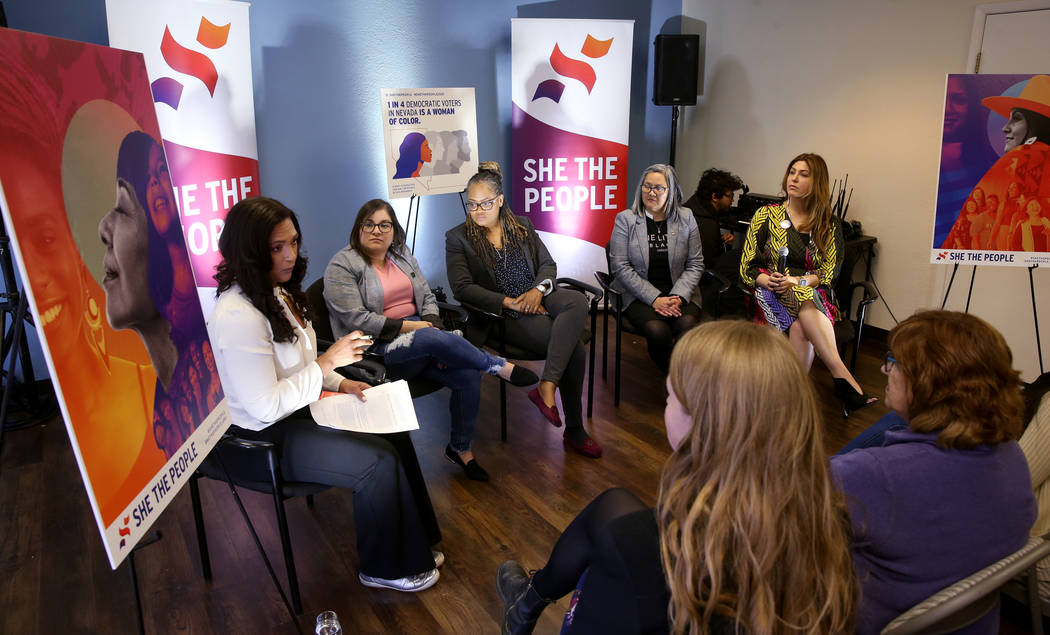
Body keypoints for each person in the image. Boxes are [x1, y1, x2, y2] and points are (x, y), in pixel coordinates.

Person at [495, 321, 857, 634]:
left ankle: (528, 601)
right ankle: (528, 600)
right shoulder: (830, 520)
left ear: (700, 423)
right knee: (612, 503)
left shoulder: (645, 548)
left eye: (669, 396)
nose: (666, 405)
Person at [208, 196, 443, 592]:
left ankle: (414, 541)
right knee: (376, 463)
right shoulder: (236, 315)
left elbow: (298, 366)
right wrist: (325, 366)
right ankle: (383, 567)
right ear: (248, 252)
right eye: (277, 248)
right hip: (263, 437)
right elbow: (265, 405)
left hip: (298, 408)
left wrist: (341, 382)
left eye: (294, 242)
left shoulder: (275, 293)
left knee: (394, 432)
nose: (290, 255)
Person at [830, 310, 1036, 634]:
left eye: (893, 361)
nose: (885, 369)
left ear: (926, 380)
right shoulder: (1012, 455)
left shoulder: (872, 475)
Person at [324, 198, 538, 482]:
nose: (377, 231)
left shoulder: (401, 255)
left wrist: (432, 326)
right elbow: (357, 319)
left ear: (393, 230)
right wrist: (412, 330)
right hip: (377, 349)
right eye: (369, 224)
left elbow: (426, 296)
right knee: (429, 338)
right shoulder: (342, 265)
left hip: (422, 340)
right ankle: (497, 365)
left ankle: (460, 449)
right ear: (358, 228)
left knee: (467, 376)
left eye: (384, 224)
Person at [446, 162, 602, 458]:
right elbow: (462, 288)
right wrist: (509, 302)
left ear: (500, 200)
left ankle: (547, 385)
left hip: (536, 295)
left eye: (486, 203)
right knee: (575, 348)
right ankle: (574, 429)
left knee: (577, 301)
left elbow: (548, 265)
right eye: (472, 204)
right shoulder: (458, 238)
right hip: (504, 312)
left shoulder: (522, 225)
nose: (478, 210)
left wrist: (536, 291)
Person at [739, 152, 876, 414]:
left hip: (814, 295)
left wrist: (797, 281)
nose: (795, 178)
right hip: (770, 295)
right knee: (801, 304)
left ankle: (791, 397)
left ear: (817, 183)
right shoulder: (765, 216)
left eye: (804, 175)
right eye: (792, 172)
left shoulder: (829, 223)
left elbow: (829, 272)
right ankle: (843, 379)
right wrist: (769, 280)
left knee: (802, 325)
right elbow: (747, 266)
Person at [608, 164, 705, 374]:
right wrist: (654, 298)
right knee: (658, 331)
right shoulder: (626, 219)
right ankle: (679, 382)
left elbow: (696, 263)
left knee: (686, 325)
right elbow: (620, 267)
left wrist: (678, 295)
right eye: (647, 187)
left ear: (671, 191)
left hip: (679, 291)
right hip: (638, 294)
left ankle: (680, 382)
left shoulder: (686, 217)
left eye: (659, 188)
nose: (651, 192)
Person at [682, 167, 744, 270]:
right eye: (730, 196)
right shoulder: (706, 226)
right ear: (714, 197)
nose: (732, 200)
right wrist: (728, 248)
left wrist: (721, 241)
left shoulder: (691, 207)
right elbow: (712, 264)